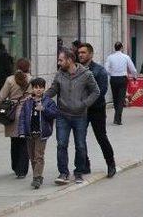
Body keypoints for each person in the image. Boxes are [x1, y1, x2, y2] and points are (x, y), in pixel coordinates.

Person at [46, 49, 100, 185]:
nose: (59, 63)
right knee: (61, 144)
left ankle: (78, 173)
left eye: (61, 60)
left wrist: (84, 104)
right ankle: (63, 173)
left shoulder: (86, 74)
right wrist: (41, 96)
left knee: (80, 146)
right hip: (62, 116)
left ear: (69, 60)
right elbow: (53, 90)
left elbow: (96, 91)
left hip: (80, 116)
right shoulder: (59, 74)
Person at [78, 43, 116, 178]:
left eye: (83, 52)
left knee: (101, 137)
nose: (81, 55)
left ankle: (111, 164)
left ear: (91, 54)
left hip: (96, 109)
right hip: (81, 110)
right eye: (79, 52)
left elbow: (101, 91)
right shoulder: (76, 70)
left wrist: (86, 102)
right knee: (80, 138)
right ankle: (85, 165)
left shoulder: (100, 71)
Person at [0, 58, 32, 178]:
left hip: (12, 115)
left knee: (14, 142)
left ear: (16, 67)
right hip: (27, 113)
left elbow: (0, 99)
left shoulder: (10, 80)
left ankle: (15, 167)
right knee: (24, 142)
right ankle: (22, 171)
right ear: (28, 67)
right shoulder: (32, 80)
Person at [18, 78, 58, 189]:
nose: (38, 90)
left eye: (41, 87)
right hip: (29, 133)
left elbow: (54, 114)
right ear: (33, 88)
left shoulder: (48, 101)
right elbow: (22, 118)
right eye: (36, 87)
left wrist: (44, 109)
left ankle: (36, 177)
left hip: (42, 133)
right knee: (32, 156)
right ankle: (38, 176)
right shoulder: (28, 102)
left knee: (38, 156)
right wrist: (21, 132)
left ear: (44, 88)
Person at [105, 42, 137, 125]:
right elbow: (132, 68)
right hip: (123, 79)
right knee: (121, 98)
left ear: (114, 48)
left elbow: (106, 69)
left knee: (115, 98)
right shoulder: (126, 57)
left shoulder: (110, 57)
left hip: (113, 79)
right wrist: (134, 76)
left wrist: (112, 73)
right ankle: (118, 118)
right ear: (121, 48)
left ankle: (117, 117)